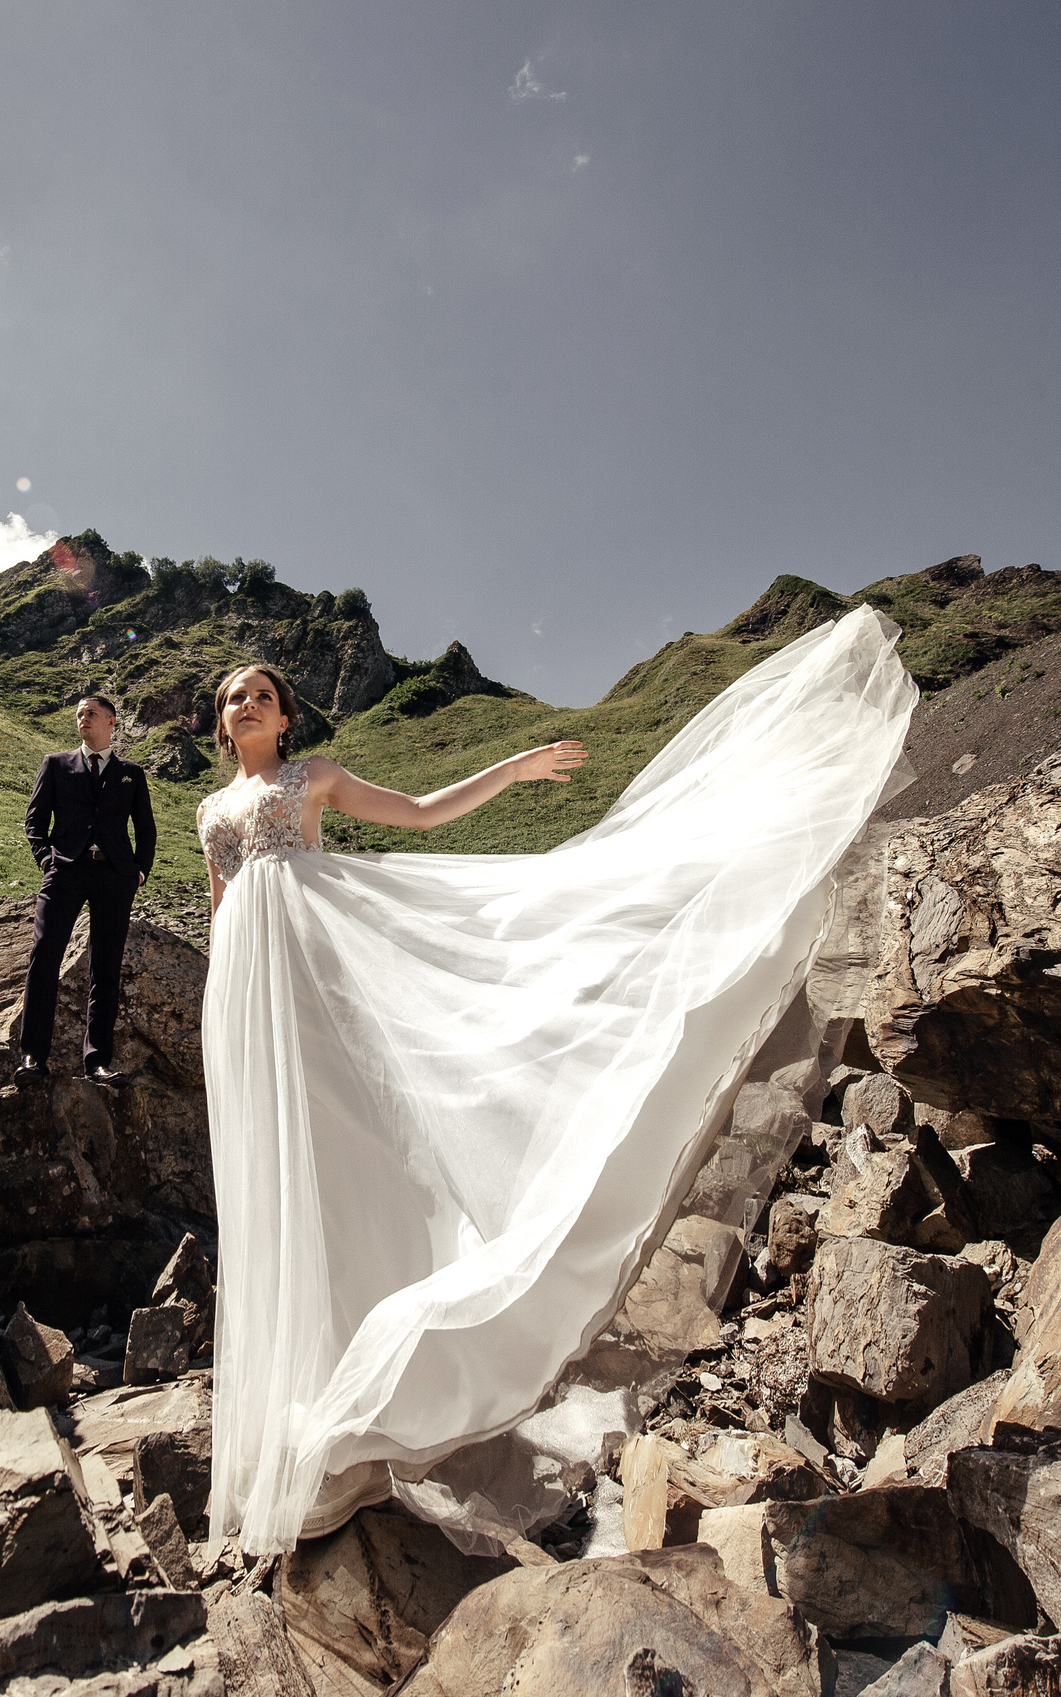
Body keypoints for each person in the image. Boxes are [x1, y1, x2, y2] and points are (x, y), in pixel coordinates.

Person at [195, 611, 917, 1553]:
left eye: (261, 694)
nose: (246, 704)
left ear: (286, 717)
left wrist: (512, 770)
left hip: (322, 986)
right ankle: (314, 1409)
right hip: (253, 1007)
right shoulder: (210, 815)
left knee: (361, 1159)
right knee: (296, 1185)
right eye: (233, 698)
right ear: (222, 724)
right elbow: (223, 913)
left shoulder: (312, 778)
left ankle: (384, 1396)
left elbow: (419, 813)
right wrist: (224, 1022)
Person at [19, 694, 158, 1085]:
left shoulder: (132, 773)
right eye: (80, 714)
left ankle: (97, 1062)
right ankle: (32, 1057)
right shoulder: (56, 764)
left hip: (115, 876)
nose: (84, 718)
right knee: (45, 956)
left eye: (92, 713)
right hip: (65, 871)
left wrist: (139, 872)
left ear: (111, 721)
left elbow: (146, 829)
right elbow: (34, 821)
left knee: (106, 966)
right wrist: (46, 859)